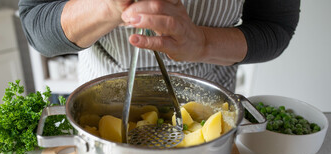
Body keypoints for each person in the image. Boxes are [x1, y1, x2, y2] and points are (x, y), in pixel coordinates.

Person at [18, 0, 300, 92]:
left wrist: (201, 43)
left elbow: (274, 29)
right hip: (103, 92)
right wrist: (106, 6)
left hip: (209, 94)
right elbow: (36, 23)